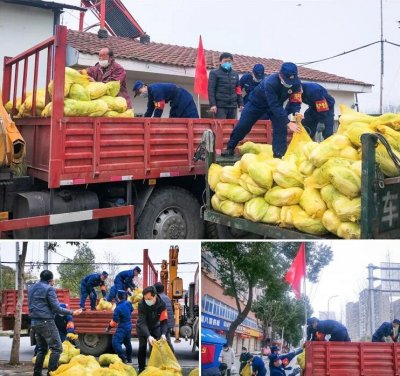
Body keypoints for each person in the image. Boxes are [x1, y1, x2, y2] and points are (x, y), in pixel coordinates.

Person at [221, 62, 302, 158]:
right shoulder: (270, 82)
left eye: (291, 81)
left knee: (280, 128)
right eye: (286, 80)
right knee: (243, 125)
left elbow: (295, 99)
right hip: (256, 104)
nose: (289, 84)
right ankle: (230, 148)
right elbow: (274, 105)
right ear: (280, 75)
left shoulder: (296, 84)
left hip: (275, 106)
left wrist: (296, 112)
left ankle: (279, 155)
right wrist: (288, 122)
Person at [28, 270, 82, 376]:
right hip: (46, 321)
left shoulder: (32, 288)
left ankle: (37, 373)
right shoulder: (49, 289)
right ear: (51, 279)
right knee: (57, 348)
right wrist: (72, 312)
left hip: (34, 321)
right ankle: (52, 373)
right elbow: (57, 308)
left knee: (42, 349)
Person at [136, 285, 169, 373]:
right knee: (142, 347)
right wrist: (148, 336)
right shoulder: (141, 304)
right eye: (145, 299)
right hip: (142, 328)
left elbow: (164, 321)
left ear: (155, 296)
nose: (147, 301)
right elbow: (142, 322)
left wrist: (163, 334)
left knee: (155, 347)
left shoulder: (162, 304)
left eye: (149, 299)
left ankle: (153, 369)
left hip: (154, 326)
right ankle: (141, 368)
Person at [132, 81, 199, 118]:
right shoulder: (151, 95)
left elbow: (160, 106)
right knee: (173, 117)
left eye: (139, 92)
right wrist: (145, 120)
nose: (140, 94)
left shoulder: (155, 89)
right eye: (138, 94)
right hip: (175, 99)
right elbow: (150, 109)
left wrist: (155, 121)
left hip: (182, 96)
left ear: (144, 86)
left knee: (180, 117)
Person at [208, 52, 243, 119]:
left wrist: (240, 103)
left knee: (231, 128)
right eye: (225, 61)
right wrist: (213, 104)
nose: (227, 63)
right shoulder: (214, 73)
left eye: (229, 61)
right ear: (220, 62)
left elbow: (238, 89)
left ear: (232, 62)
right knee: (220, 128)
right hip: (220, 107)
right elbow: (211, 90)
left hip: (232, 106)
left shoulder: (235, 74)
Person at [106, 290, 133, 363]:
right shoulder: (128, 304)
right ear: (124, 296)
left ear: (117, 297)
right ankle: (129, 359)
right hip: (129, 325)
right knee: (127, 343)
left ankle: (123, 358)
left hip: (122, 327)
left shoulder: (117, 308)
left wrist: (108, 328)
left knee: (115, 342)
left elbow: (114, 322)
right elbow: (131, 310)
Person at [154, 282, 175, 352]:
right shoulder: (167, 298)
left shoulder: (157, 298)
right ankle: (171, 355)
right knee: (167, 339)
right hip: (168, 323)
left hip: (161, 323)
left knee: (158, 341)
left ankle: (159, 357)